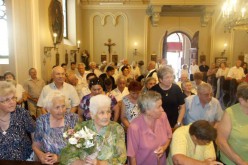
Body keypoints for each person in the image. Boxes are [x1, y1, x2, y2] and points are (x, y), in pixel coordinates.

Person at [60, 94, 126, 165]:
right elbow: (66, 156)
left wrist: (99, 163)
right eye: (102, 113)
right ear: (92, 115)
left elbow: (121, 158)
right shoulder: (81, 128)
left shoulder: (116, 129)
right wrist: (82, 163)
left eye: (108, 112)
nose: (106, 116)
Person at [32, 91, 78, 164]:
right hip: (49, 162)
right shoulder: (42, 121)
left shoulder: (73, 119)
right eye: (57, 107)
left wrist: (59, 158)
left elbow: (78, 147)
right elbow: (36, 145)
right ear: (49, 109)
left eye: (63, 106)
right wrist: (41, 156)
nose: (61, 110)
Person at [127, 91, 172, 165]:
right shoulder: (134, 128)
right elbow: (132, 156)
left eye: (161, 105)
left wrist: (164, 147)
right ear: (147, 111)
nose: (162, 109)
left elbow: (169, 136)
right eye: (158, 107)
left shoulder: (163, 117)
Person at [0, 81, 35, 160]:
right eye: (7, 100)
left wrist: (35, 150)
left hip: (24, 160)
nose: (12, 102)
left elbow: (34, 130)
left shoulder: (21, 113)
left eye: (13, 98)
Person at [216, 83, 248, 165]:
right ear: (242, 100)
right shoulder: (230, 113)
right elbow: (221, 141)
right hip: (232, 161)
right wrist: (240, 162)